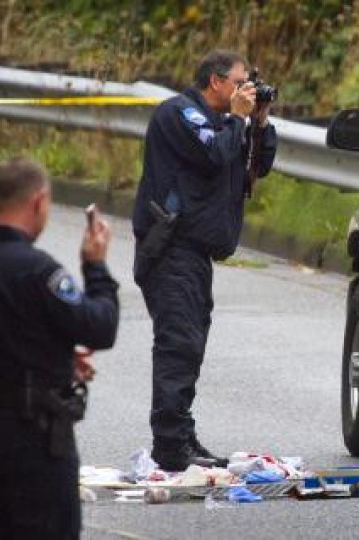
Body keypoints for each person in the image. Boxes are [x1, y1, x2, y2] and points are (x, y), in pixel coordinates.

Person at [0, 158, 119, 540]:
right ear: (38, 202)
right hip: (30, 437)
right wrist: (96, 267)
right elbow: (100, 328)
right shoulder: (37, 271)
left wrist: (53, 353)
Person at [131, 49, 277, 470]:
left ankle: (180, 434)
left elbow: (259, 165)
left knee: (190, 347)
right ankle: (171, 446)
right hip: (170, 247)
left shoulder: (228, 122)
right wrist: (236, 118)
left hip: (196, 254)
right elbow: (213, 153)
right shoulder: (178, 114)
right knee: (179, 345)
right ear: (215, 81)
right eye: (239, 82)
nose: (245, 90)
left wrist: (259, 121)